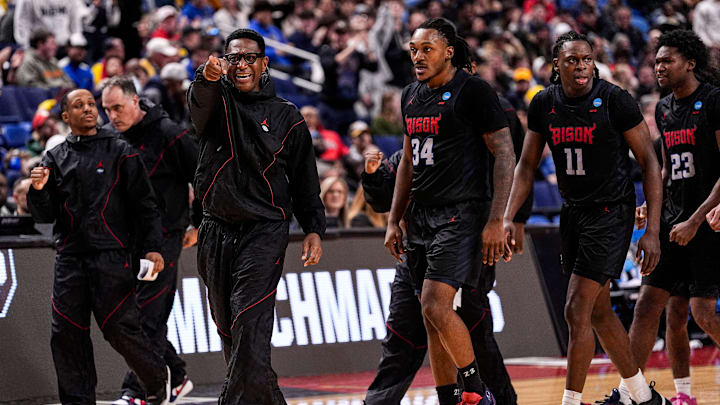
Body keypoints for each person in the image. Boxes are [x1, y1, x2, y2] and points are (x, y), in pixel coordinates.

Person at [503, 31, 666, 405]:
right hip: (573, 212)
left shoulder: (614, 100)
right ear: (555, 65)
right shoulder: (545, 103)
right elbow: (527, 164)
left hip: (612, 211)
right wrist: (508, 217)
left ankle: (570, 402)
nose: (581, 66)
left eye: (587, 59)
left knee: (575, 307)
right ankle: (642, 396)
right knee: (599, 312)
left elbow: (650, 165)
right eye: (572, 60)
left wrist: (651, 230)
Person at [187, 28, 325, 404]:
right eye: (234, 58)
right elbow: (197, 107)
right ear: (225, 63)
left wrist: (314, 228)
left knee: (250, 322)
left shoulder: (287, 117)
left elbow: (305, 180)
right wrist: (205, 78)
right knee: (230, 330)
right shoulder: (215, 100)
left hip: (264, 230)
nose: (242, 64)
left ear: (264, 63)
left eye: (250, 57)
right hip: (215, 228)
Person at [384, 17, 515, 405]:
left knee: (434, 304)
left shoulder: (473, 90)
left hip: (462, 214)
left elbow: (505, 155)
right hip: (421, 216)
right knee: (430, 317)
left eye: (427, 49)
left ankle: (475, 389)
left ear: (449, 51)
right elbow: (407, 162)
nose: (418, 56)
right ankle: (449, 399)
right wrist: (394, 219)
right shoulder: (411, 94)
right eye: (413, 50)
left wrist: (497, 220)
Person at [26, 89, 171, 405]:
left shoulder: (121, 150)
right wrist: (37, 190)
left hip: (111, 255)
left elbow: (145, 204)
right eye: (79, 106)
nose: (89, 109)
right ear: (66, 117)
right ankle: (77, 401)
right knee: (66, 335)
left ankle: (156, 377)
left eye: (92, 104)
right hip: (69, 258)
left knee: (120, 329)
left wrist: (152, 248)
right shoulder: (54, 157)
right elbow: (44, 214)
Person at [624, 29, 720, 405]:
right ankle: (641, 392)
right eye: (657, 61)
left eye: (668, 61)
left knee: (702, 312)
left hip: (707, 221)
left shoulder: (713, 102)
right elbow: (664, 171)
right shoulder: (664, 109)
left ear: (690, 63)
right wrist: (652, 203)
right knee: (657, 307)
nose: (659, 67)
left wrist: (695, 220)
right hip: (673, 221)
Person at [101, 75, 199, 404]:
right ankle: (177, 374)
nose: (112, 116)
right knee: (130, 315)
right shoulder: (114, 137)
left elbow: (202, 177)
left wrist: (197, 224)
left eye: (117, 108)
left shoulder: (170, 134)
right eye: (106, 110)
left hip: (166, 237)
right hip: (127, 239)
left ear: (135, 101)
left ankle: (139, 391)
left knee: (146, 315)